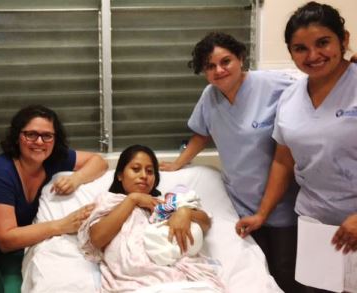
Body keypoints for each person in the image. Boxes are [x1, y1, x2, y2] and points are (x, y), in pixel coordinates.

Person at [159, 32, 304, 292]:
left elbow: (315, 86)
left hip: (282, 205)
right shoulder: (210, 96)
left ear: (240, 58)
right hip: (242, 206)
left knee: (286, 273)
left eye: (226, 61)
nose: (219, 70)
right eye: (210, 66)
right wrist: (177, 163)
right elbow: (201, 134)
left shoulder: (275, 84)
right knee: (255, 275)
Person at [236, 2, 357, 292]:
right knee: (317, 289)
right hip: (315, 222)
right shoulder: (290, 98)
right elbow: (283, 160)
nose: (313, 55)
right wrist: (262, 214)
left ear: (345, 40)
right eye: (300, 48)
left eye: (323, 42)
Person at [0, 105, 108, 292]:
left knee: (21, 289)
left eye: (47, 136)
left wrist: (76, 178)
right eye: (31, 134)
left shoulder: (52, 159)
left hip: (12, 251)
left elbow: (99, 162)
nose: (39, 141)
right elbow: (5, 239)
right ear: (17, 137)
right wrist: (62, 225)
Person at [77, 144, 224, 292]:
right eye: (135, 169)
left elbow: (205, 223)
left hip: (179, 277)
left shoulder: (163, 203)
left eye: (149, 171)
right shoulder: (109, 201)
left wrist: (185, 212)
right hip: (133, 282)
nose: (143, 176)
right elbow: (97, 239)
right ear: (120, 175)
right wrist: (132, 200)